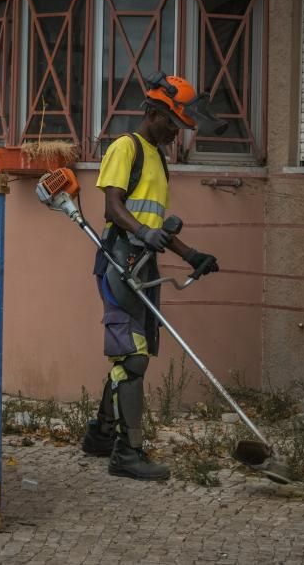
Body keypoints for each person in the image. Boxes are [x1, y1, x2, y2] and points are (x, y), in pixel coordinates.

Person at [82, 72, 223, 480]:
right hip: (120, 262)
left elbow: (154, 223)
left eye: (179, 128)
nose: (174, 133)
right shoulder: (126, 148)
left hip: (143, 263)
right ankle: (128, 453)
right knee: (133, 358)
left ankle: (100, 435)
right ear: (152, 111)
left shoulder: (158, 157)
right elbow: (113, 209)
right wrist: (142, 232)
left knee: (130, 358)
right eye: (171, 124)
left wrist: (191, 254)